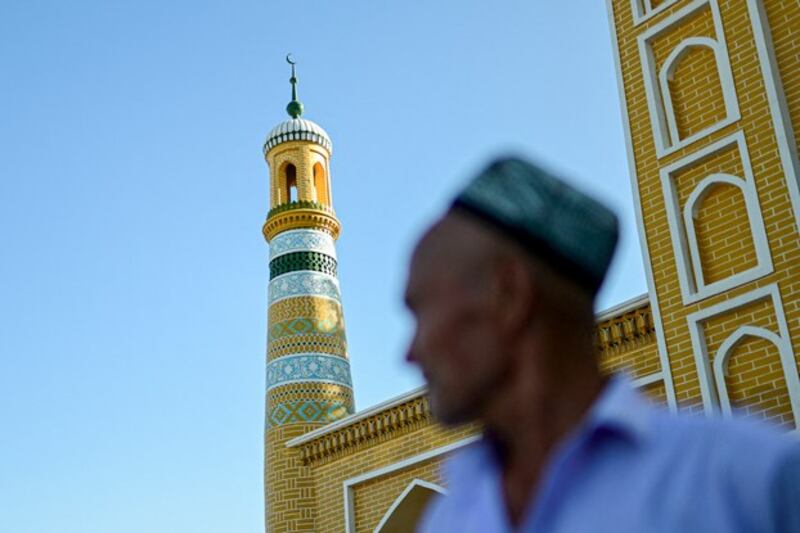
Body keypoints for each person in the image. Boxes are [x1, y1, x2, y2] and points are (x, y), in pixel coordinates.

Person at [404, 157, 800, 532]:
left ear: (509, 297)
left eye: (420, 310)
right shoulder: (451, 515)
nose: (409, 353)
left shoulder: (739, 480)